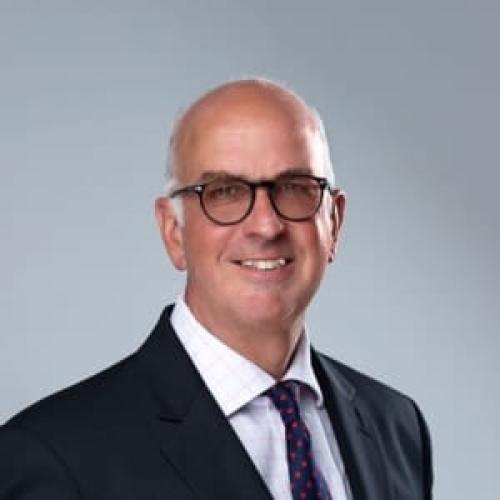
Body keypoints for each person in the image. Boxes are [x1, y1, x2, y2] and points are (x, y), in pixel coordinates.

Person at [0, 79, 433, 500]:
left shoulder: (396, 426)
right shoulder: (54, 455)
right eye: (225, 192)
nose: (266, 226)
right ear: (173, 231)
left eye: (295, 189)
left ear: (333, 222)